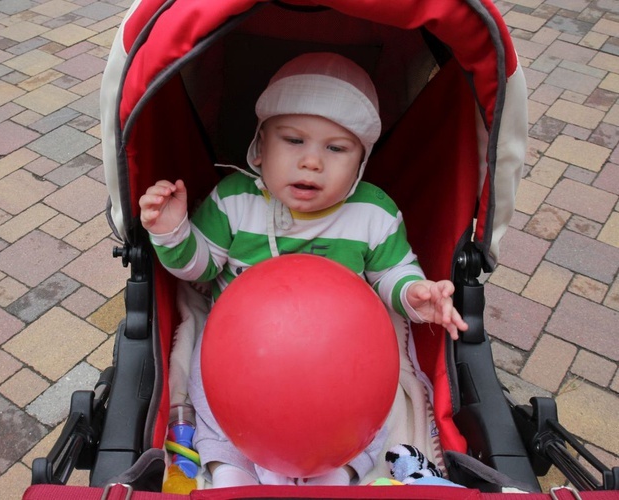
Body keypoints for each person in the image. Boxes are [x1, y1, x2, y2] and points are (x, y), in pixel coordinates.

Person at [139, 52, 468, 487]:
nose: (312, 161)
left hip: (339, 354)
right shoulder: (236, 201)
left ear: (361, 162)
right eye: (293, 140)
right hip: (244, 351)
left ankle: (339, 470)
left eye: (336, 148)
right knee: (211, 392)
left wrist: (413, 294)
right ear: (260, 145)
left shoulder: (372, 212)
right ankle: (229, 468)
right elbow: (199, 267)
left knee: (369, 411)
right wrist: (172, 230)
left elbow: (392, 273)